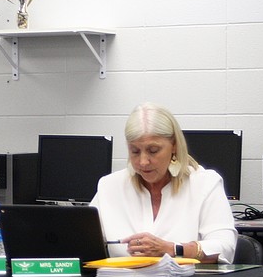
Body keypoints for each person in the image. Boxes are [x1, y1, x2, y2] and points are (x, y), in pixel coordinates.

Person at [90, 103, 237, 263]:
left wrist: (173, 249)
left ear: (174, 145)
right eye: (135, 151)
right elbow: (82, 244)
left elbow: (225, 248)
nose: (143, 161)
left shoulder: (204, 184)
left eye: (153, 151)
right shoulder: (109, 186)